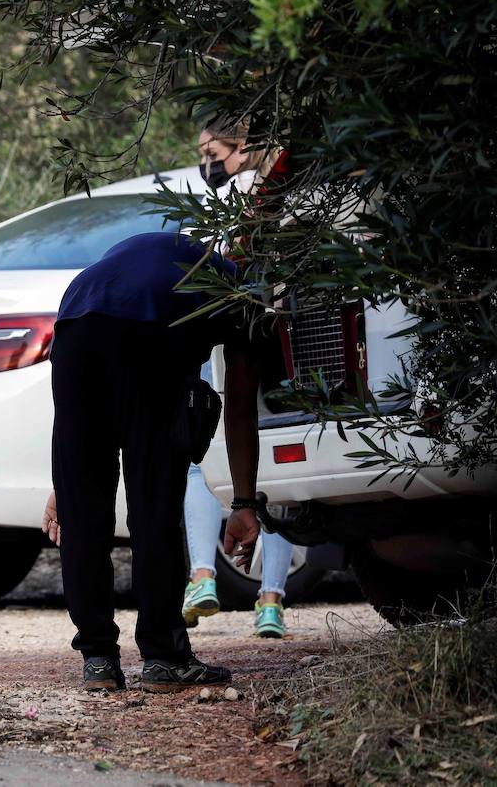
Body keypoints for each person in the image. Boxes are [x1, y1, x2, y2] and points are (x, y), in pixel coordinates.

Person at [41, 230, 270, 691]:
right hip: (150, 336)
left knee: (83, 511)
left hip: (75, 325)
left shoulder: (159, 250)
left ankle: (99, 660)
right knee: (154, 505)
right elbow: (241, 409)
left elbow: (71, 418)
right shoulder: (245, 296)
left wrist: (63, 485)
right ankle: (164, 658)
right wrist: (245, 502)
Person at [182, 122, 291, 638]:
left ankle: (204, 575)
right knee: (282, 469)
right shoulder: (262, 190)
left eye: (213, 151)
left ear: (243, 144)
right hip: (257, 326)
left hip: (257, 324)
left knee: (202, 464)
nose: (209, 163)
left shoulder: (273, 188)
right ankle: (270, 600)